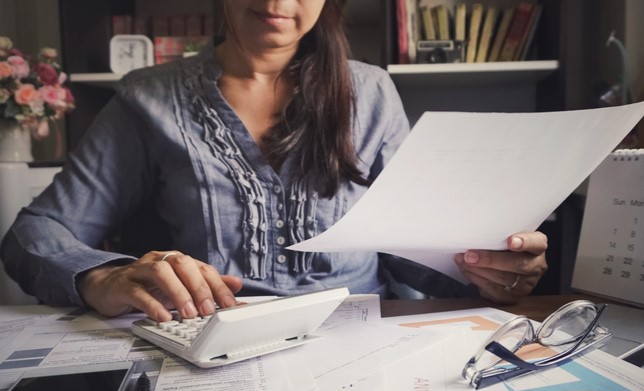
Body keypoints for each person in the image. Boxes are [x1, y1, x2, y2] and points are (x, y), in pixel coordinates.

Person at [0, 0, 547, 323]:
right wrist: (102, 277)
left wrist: (484, 270)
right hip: (212, 349)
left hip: (361, 341)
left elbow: (409, 254)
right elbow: (36, 232)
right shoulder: (150, 97)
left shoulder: (371, 91)